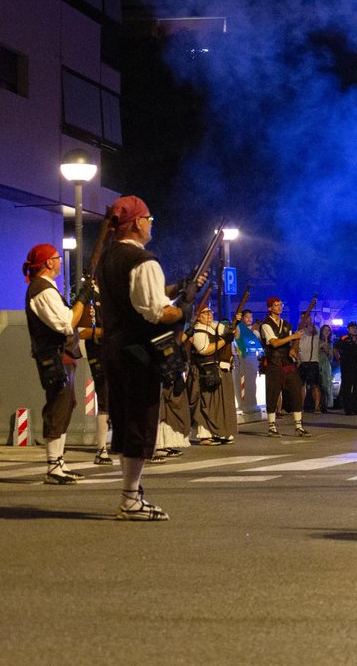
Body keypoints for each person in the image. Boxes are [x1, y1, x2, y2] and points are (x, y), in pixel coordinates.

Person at [96, 195, 198, 521]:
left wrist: (176, 288)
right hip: (139, 354)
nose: (151, 224)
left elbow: (138, 298)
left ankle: (132, 494)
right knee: (141, 420)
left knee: (126, 421)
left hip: (114, 349)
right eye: (149, 219)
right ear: (138, 222)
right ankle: (130, 498)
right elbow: (156, 311)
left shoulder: (108, 257)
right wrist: (184, 307)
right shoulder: (144, 261)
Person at [22, 243, 93, 484]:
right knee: (57, 406)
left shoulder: (45, 288)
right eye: (56, 258)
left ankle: (58, 463)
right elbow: (65, 323)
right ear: (48, 263)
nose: (60, 261)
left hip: (59, 356)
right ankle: (53, 466)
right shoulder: (42, 290)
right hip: (53, 357)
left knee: (65, 405)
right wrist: (82, 300)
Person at [188, 305, 239, 445]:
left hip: (219, 369)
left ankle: (221, 432)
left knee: (222, 403)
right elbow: (205, 350)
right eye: (205, 313)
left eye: (210, 312)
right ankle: (205, 435)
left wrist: (236, 323)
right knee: (207, 404)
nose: (209, 315)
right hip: (206, 371)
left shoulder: (215, 326)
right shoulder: (198, 330)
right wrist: (224, 341)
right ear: (198, 316)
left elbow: (234, 333)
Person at [259, 298, 310, 437]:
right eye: (276, 305)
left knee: (295, 389)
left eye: (280, 305)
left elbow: (288, 346)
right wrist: (292, 336)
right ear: (270, 308)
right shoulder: (265, 324)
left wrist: (293, 350)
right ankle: (271, 426)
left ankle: (299, 426)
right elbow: (274, 343)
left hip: (287, 362)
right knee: (273, 393)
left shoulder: (286, 324)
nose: (279, 307)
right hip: (273, 362)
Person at [83, 299, 113, 464]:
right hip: (101, 355)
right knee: (105, 402)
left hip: (117, 352)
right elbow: (81, 331)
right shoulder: (91, 301)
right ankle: (101, 449)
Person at [296, 312, 324, 413]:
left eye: (306, 317)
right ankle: (301, 406)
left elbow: (313, 332)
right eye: (302, 318)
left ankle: (317, 407)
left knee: (315, 385)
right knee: (301, 385)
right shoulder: (299, 330)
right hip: (302, 361)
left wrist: (308, 323)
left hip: (313, 361)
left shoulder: (315, 328)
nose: (304, 319)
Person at [335, 321, 357, 415]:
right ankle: (348, 409)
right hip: (347, 366)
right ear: (348, 329)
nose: (354, 329)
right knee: (347, 387)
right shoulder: (344, 338)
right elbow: (335, 349)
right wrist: (339, 360)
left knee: (356, 388)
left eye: (355, 328)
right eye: (352, 328)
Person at [318, 324, 335, 411]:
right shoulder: (318, 340)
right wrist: (324, 340)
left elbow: (330, 355)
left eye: (328, 330)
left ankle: (325, 405)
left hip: (326, 364)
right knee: (319, 385)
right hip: (318, 363)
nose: (327, 332)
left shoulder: (330, 343)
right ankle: (318, 404)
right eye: (325, 330)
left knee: (326, 385)